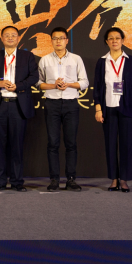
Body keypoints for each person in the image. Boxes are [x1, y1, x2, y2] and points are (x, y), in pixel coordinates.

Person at [0, 25, 38, 191]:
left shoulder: (27, 56)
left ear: (18, 38)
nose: (10, 38)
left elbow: (34, 77)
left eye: (13, 35)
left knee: (17, 146)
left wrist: (18, 86)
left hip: (18, 105)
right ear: (1, 38)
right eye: (6, 35)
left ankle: (17, 182)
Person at [92, 27, 132, 192]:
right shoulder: (102, 61)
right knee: (110, 145)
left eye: (117, 38)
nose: (114, 41)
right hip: (108, 109)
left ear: (122, 40)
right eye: (111, 38)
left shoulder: (131, 61)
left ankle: (124, 180)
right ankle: (113, 179)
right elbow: (97, 87)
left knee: (126, 144)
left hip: (127, 108)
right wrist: (98, 109)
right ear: (106, 41)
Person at [36, 26, 89, 191]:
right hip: (51, 103)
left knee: (71, 143)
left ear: (67, 40)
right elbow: (38, 83)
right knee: (53, 143)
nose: (58, 41)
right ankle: (54, 179)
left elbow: (85, 82)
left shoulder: (76, 59)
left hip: (71, 103)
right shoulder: (44, 60)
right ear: (51, 41)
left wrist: (69, 84)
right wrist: (54, 85)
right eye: (55, 38)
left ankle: (71, 179)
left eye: (61, 38)